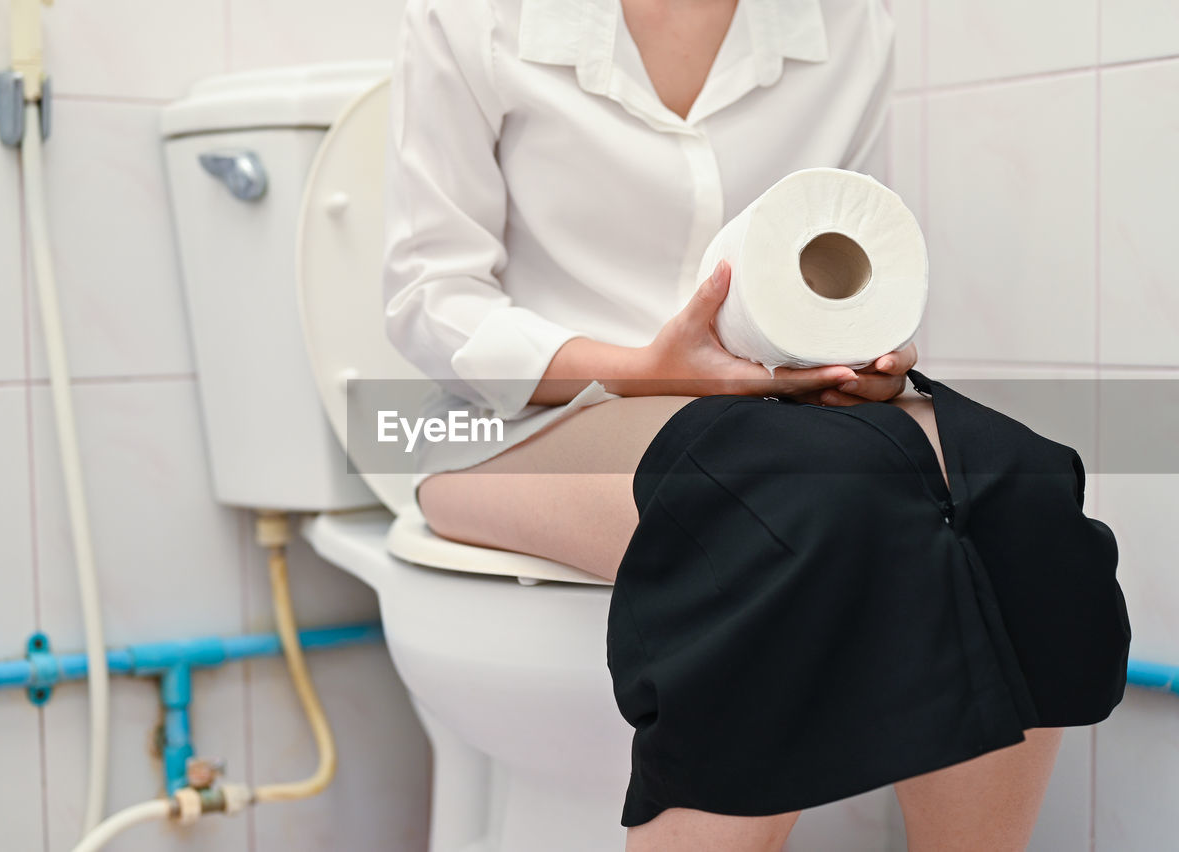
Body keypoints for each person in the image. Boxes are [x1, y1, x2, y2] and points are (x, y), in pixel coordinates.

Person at [380, 1, 1130, 850]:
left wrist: (862, 351)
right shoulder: (476, 17)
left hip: (769, 410)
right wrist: (647, 369)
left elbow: (849, 243)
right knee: (781, 512)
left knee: (1016, 485)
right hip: (538, 414)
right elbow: (429, 299)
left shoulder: (848, 27)